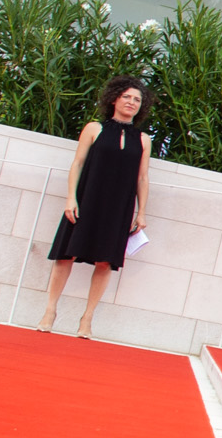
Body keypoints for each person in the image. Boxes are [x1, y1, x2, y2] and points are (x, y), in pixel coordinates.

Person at [39, 76, 153, 338]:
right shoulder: (94, 128)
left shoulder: (144, 140)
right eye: (126, 96)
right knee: (65, 255)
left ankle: (87, 319)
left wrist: (141, 212)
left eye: (137, 99)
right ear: (114, 98)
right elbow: (77, 164)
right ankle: (50, 311)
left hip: (119, 207)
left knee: (105, 262)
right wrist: (71, 198)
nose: (131, 102)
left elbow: (142, 178)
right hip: (86, 200)